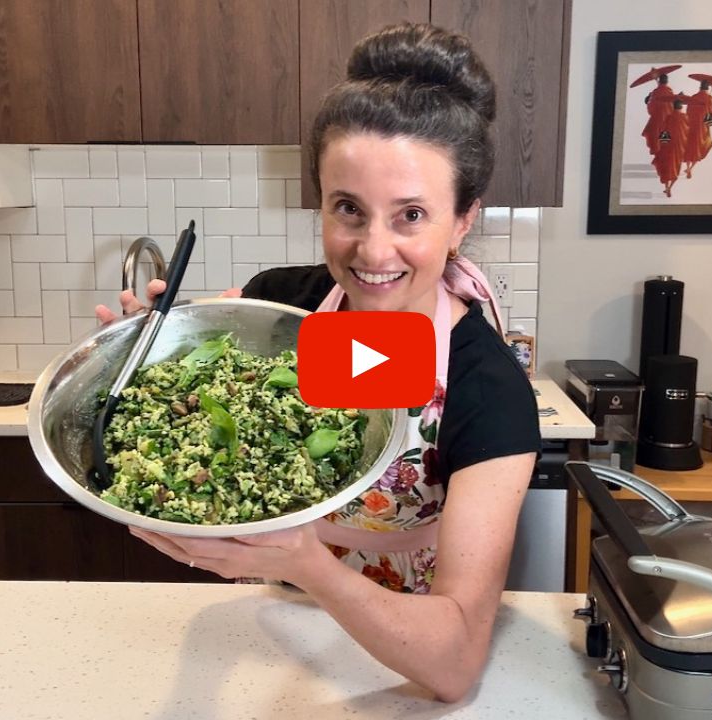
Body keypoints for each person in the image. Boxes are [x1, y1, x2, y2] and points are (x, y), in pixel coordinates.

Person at [95, 24, 539, 703]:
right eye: (348, 209)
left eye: (411, 215)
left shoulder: (488, 389)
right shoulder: (281, 306)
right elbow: (195, 395)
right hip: (277, 636)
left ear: (462, 220)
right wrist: (143, 356)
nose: (374, 250)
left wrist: (308, 564)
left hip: (399, 660)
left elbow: (454, 666)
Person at [652, 94, 691, 198]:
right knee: (676, 167)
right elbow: (687, 131)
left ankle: (667, 187)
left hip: (669, 145)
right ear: (681, 107)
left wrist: (662, 144)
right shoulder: (685, 117)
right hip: (680, 146)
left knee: (667, 166)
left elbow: (663, 131)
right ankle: (670, 188)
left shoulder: (669, 117)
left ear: (673, 107)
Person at [683, 78, 712, 179]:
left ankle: (687, 167)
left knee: (689, 147)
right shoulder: (710, 98)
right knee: (699, 147)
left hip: (691, 125)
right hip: (702, 127)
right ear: (708, 88)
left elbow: (688, 111)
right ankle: (690, 169)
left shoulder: (693, 97)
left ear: (700, 87)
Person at [640, 73, 677, 155]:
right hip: (667, 120)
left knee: (655, 138)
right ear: (667, 82)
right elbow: (674, 106)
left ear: (659, 81)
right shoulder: (669, 92)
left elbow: (650, 109)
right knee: (666, 140)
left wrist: (649, 99)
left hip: (657, 120)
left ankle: (659, 154)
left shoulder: (655, 93)